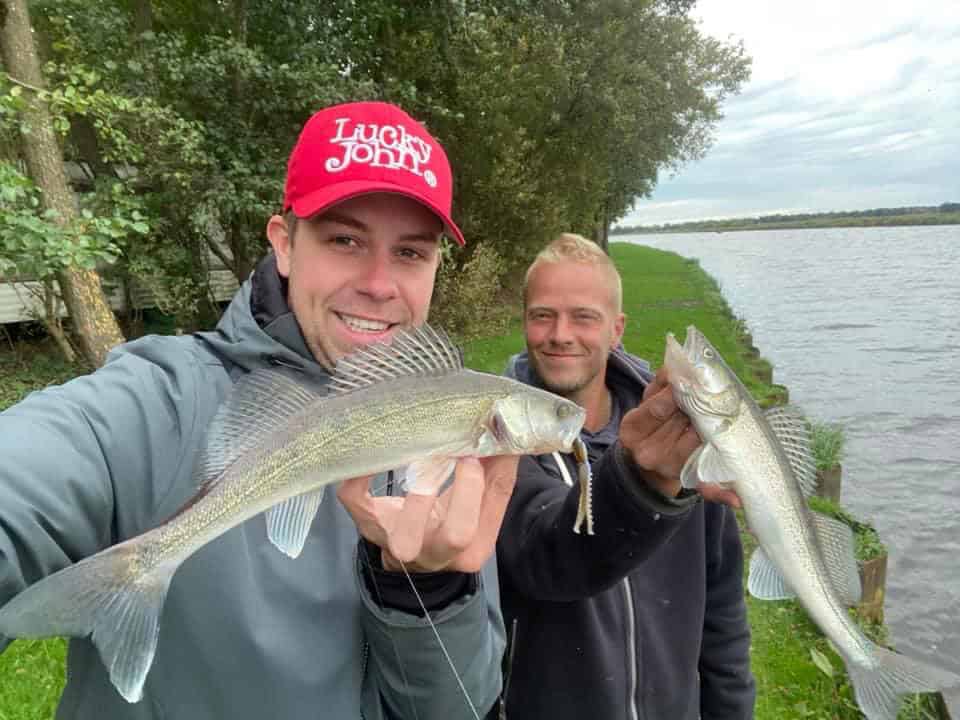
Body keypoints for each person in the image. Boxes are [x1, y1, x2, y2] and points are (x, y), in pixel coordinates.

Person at [0, 101, 516, 720]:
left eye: (410, 252)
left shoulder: (450, 447)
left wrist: (430, 591)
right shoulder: (159, 399)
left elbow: (458, 706)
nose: (379, 284)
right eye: (345, 239)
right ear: (285, 244)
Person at [495, 234, 755, 719]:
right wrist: (640, 482)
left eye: (583, 317)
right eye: (542, 315)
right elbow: (547, 555)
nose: (560, 334)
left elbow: (722, 612)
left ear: (616, 329)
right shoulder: (497, 440)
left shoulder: (682, 438)